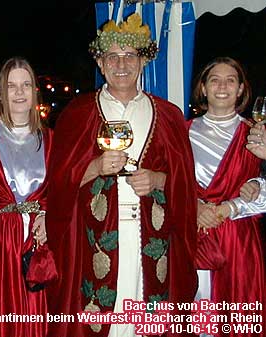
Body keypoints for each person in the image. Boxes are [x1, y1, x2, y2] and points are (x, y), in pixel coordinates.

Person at [46, 13, 198, 337]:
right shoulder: (77, 113)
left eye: (130, 55)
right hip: (94, 246)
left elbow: (186, 185)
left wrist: (159, 180)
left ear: (142, 60)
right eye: (112, 56)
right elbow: (58, 185)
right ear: (100, 64)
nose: (121, 64)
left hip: (153, 240)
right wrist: (94, 168)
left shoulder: (168, 116)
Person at [0, 57, 52, 337]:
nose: (19, 92)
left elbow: (61, 191)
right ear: (0, 94)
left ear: (34, 91)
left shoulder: (53, 139)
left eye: (26, 85)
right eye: (11, 86)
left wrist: (46, 214)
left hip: (40, 243)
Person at [189, 56, 265, 337]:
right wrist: (194, 205)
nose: (222, 86)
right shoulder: (182, 132)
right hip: (193, 235)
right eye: (214, 80)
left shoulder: (256, 134)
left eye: (230, 80)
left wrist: (231, 207)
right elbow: (167, 184)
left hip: (239, 240)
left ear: (242, 89)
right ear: (204, 88)